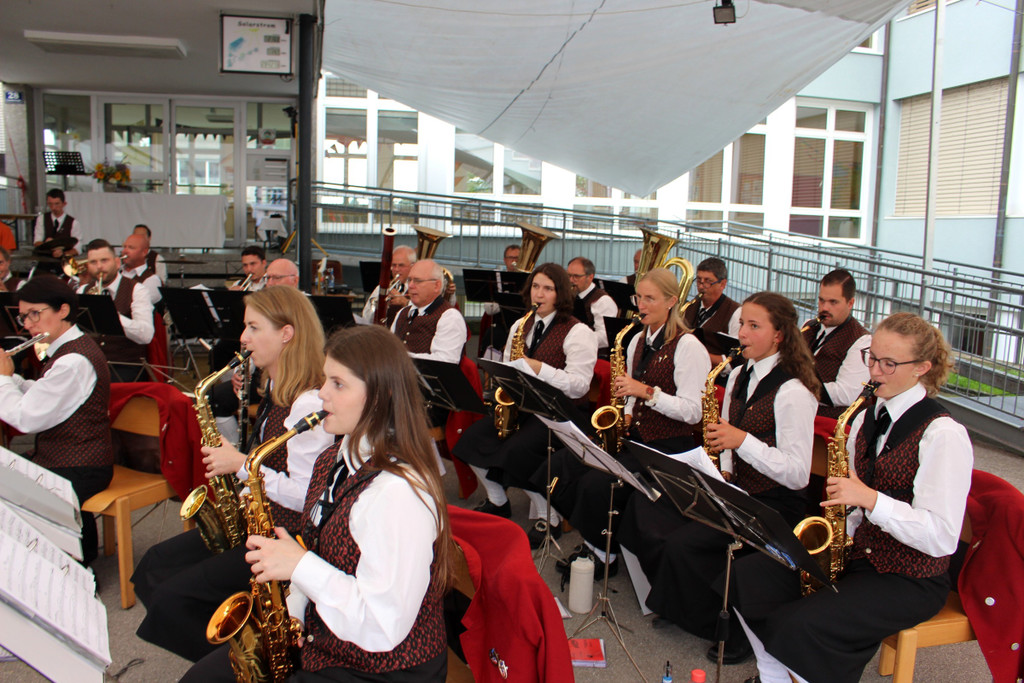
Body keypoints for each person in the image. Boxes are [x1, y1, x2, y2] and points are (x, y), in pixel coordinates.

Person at [183, 325, 455, 682]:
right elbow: (325, 558)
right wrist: (292, 612)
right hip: (330, 636)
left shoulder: (397, 494)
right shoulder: (333, 456)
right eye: (325, 380)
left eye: (338, 384)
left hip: (385, 668)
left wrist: (299, 566)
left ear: (382, 395)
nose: (322, 393)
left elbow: (383, 625)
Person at [731, 312, 972, 683]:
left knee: (801, 623)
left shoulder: (943, 435)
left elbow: (941, 536)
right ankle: (773, 676)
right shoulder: (863, 417)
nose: (874, 372)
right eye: (871, 358)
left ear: (923, 367)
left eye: (889, 364)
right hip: (859, 552)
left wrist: (871, 500)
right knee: (748, 576)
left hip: (910, 577)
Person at [133, 286, 334, 662]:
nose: (243, 338)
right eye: (246, 327)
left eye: (254, 327)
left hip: (286, 535)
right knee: (152, 567)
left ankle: (249, 664)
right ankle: (232, 652)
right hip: (256, 518)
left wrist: (240, 464)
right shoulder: (274, 384)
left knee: (171, 599)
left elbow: (307, 495)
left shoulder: (307, 401)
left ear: (287, 333)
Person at [634, 292, 819, 665]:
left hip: (776, 503)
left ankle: (737, 631)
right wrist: (727, 466)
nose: (742, 333)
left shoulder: (794, 392)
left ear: (779, 335)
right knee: (676, 535)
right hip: (741, 489)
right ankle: (695, 612)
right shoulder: (737, 375)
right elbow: (726, 432)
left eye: (754, 326)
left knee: (691, 543)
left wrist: (742, 443)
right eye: (741, 324)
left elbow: (798, 474)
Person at [544, 268, 710, 560]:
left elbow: (693, 412)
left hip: (667, 447)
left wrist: (647, 392)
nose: (640, 305)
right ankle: (591, 534)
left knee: (596, 484)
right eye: (638, 297)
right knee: (563, 462)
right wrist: (629, 414)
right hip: (637, 436)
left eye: (649, 298)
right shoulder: (637, 340)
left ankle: (603, 552)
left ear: (672, 301)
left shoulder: (689, 347)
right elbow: (631, 395)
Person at [453, 262, 597, 527]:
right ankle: (499, 501)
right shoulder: (521, 324)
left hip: (562, 413)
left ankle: (548, 517)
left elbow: (579, 386)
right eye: (535, 287)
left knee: (515, 453)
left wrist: (539, 368)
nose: (539, 295)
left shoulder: (579, 332)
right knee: (470, 440)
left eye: (548, 289)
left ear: (561, 294)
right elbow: (508, 367)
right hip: (524, 408)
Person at [0, 275, 113, 565]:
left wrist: (3, 380)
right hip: (64, 455)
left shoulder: (73, 360)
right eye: (23, 316)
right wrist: (12, 379)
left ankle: (72, 568)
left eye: (34, 314)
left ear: (62, 310)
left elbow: (26, 418)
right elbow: (45, 397)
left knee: (10, 485)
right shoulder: (66, 350)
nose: (27, 324)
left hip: (83, 464)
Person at [77, 238, 154, 382]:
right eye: (93, 262)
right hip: (90, 364)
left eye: (104, 260)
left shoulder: (137, 290)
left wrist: (111, 315)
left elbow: (146, 335)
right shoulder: (83, 290)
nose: (99, 266)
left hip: (125, 367)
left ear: (117, 262)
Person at [804, 268, 871, 418]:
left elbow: (846, 394)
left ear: (850, 303)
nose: (824, 308)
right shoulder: (809, 326)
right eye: (821, 300)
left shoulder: (863, 341)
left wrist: (798, 388)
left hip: (829, 424)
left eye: (833, 302)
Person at [682, 257, 741, 365]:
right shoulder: (690, 306)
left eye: (708, 281)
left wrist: (698, 353)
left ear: (723, 284)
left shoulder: (736, 313)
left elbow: (734, 360)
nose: (701, 286)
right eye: (699, 280)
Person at [567, 256, 618, 355]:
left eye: (576, 276)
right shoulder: (569, 295)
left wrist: (575, 338)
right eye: (568, 275)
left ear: (590, 277)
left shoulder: (603, 301)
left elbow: (604, 337)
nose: (571, 280)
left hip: (592, 356)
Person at [361, 244, 415, 324]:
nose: (396, 269)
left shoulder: (418, 288)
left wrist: (405, 302)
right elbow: (366, 318)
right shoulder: (382, 288)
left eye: (401, 265)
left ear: (412, 266)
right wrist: (378, 305)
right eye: (393, 265)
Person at [33, 189, 82, 257]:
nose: (53, 208)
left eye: (57, 204)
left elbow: (78, 249)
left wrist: (63, 253)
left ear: (64, 204)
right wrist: (46, 244)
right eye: (50, 204)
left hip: (64, 262)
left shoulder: (74, 223)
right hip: (45, 260)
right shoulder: (41, 219)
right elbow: (37, 241)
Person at [121, 232, 163, 305]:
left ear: (144, 252)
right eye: (124, 247)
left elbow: (136, 304)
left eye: (131, 247)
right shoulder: (117, 271)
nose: (125, 251)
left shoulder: (152, 280)